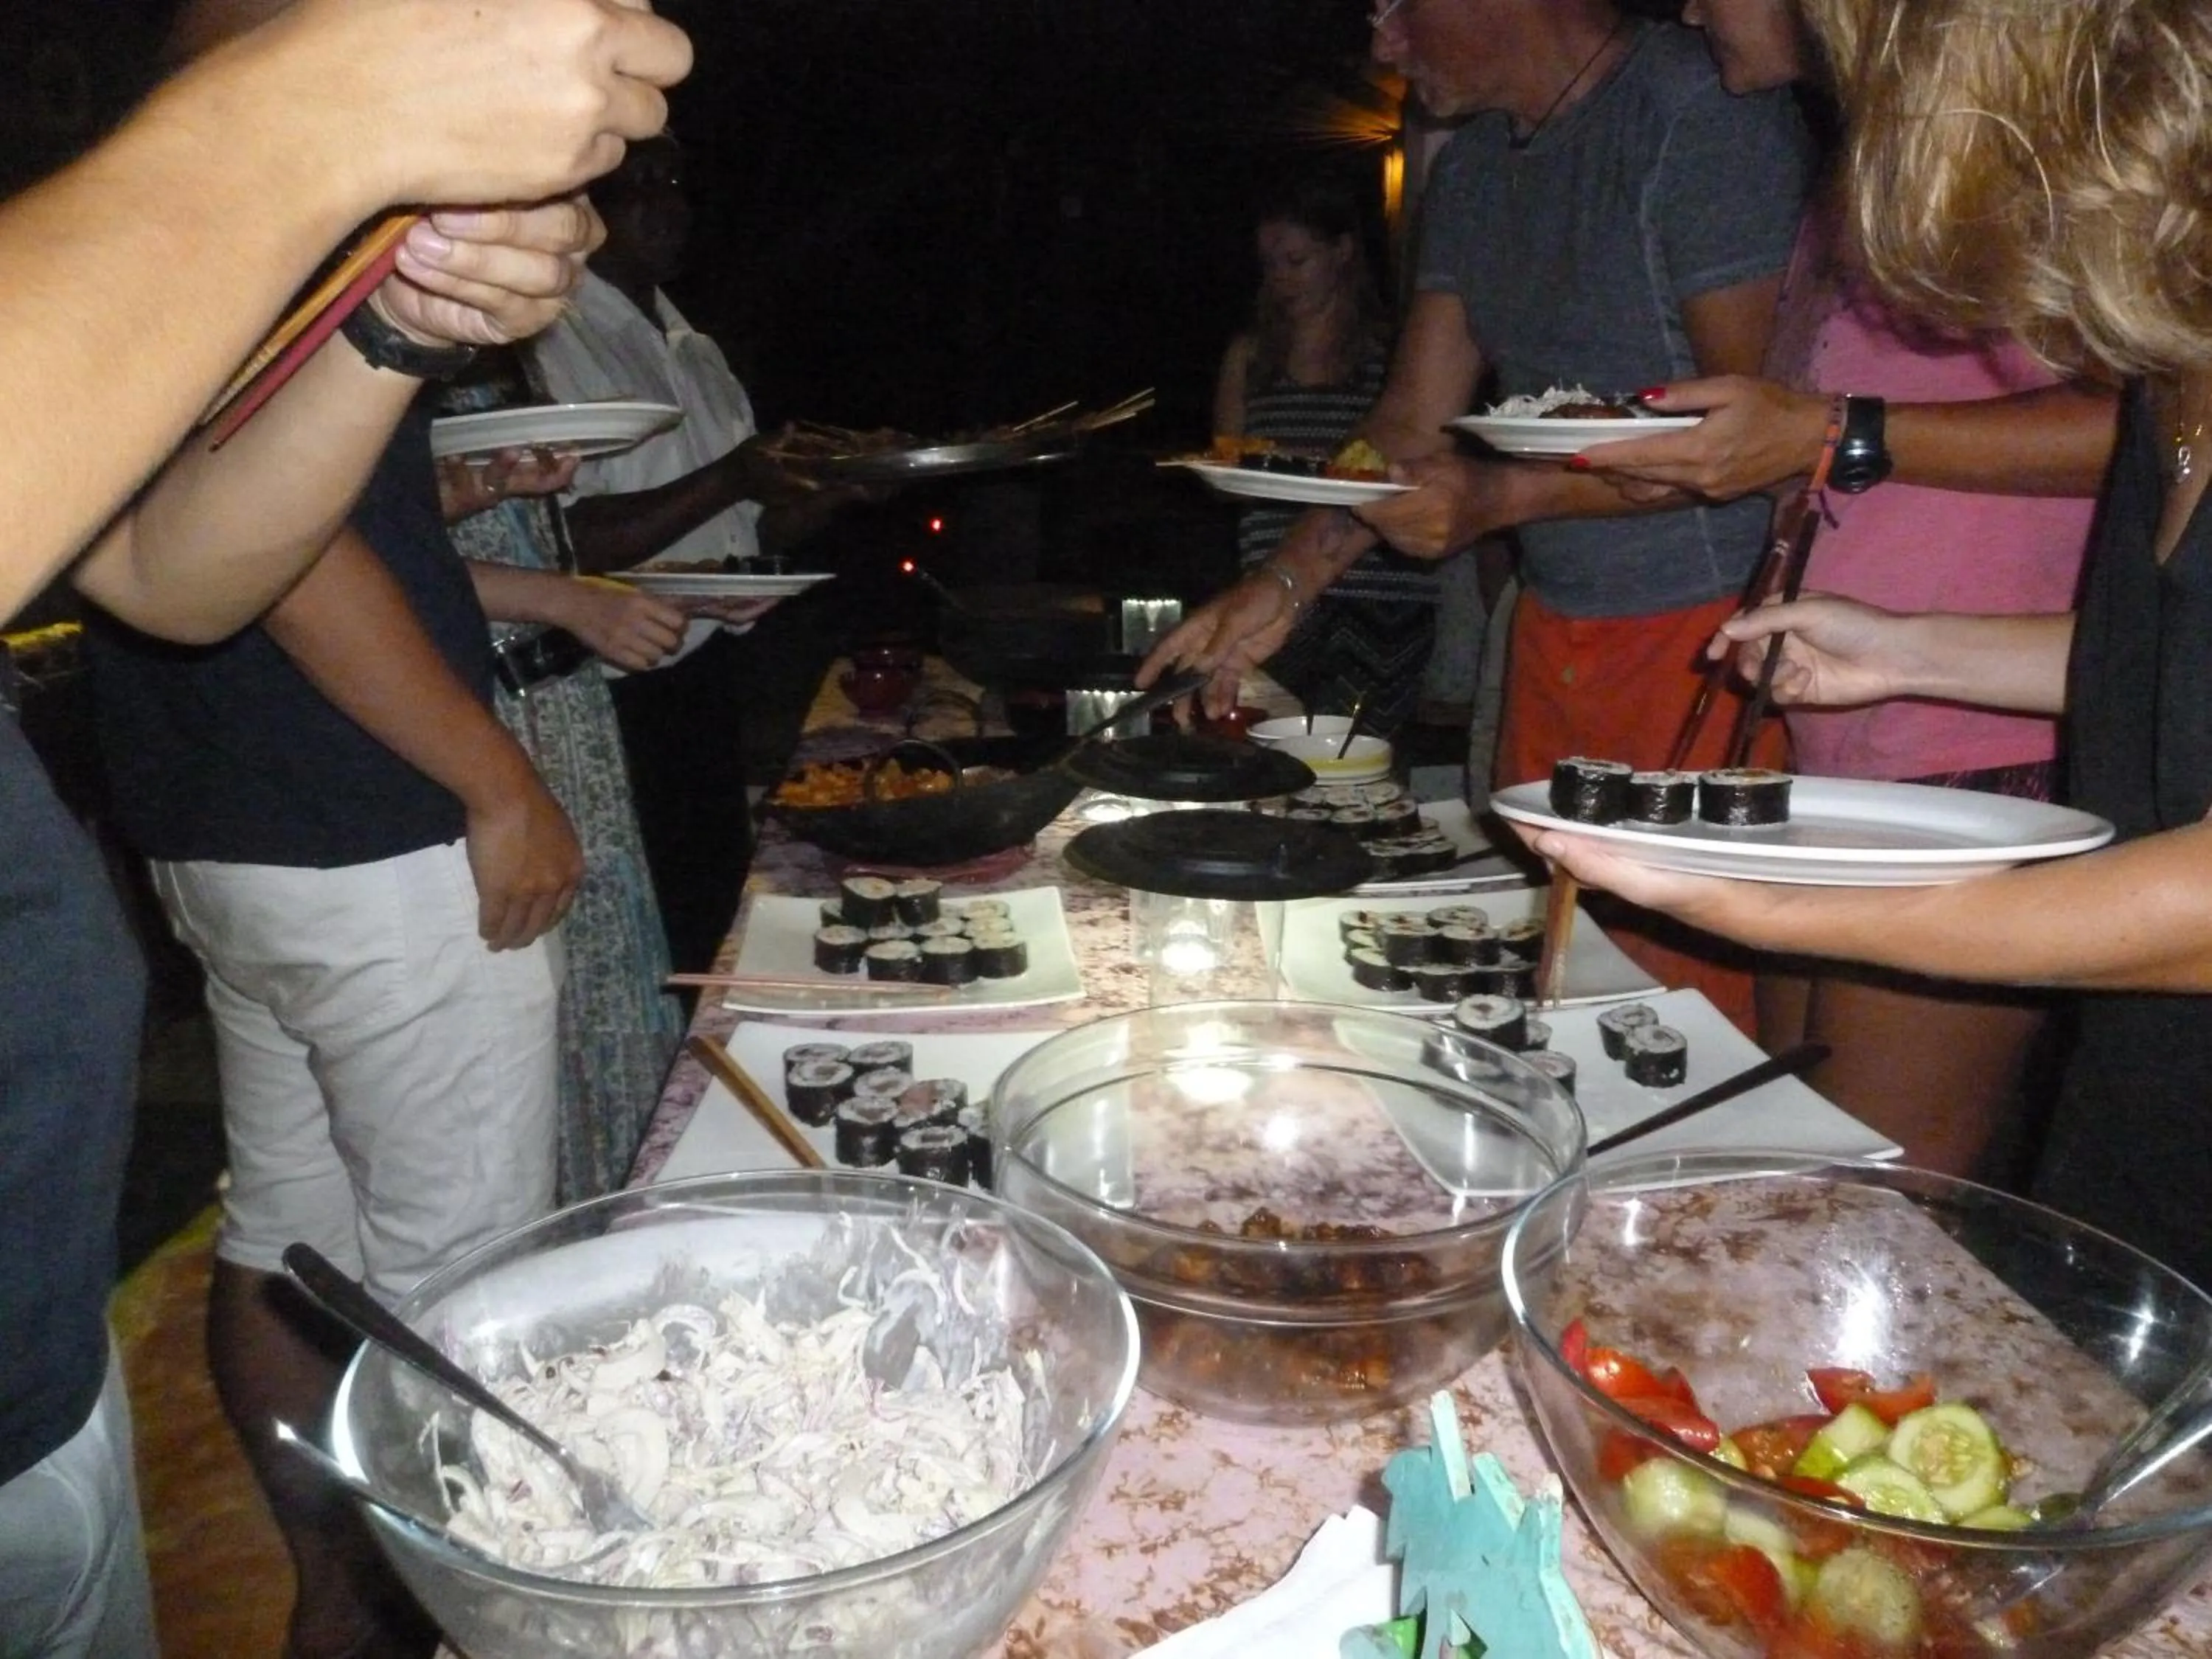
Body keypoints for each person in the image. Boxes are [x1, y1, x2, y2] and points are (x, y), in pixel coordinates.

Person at [0, 1, 687, 1654]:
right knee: (470, 1294)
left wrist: (389, 336)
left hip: (216, 879)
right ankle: (420, 1612)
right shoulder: (201, 200)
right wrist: (496, 779)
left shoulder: (153, 228)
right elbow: (300, 579)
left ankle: (338, 1596)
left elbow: (177, 555)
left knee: (288, 1232)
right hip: (363, 836)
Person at [1524, 0, 2212, 1288]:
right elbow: (2167, 676)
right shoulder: (2178, 380)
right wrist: (1907, 649)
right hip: (2146, 1150)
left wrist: (1805, 899)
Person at [1145, 0, 1815, 1027]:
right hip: (1553, 636)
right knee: (1564, 999)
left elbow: (1771, 440)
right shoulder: (1471, 170)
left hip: (1715, 642)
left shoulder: (1701, 116)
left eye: (1397, 13)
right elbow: (1409, 422)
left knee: (1685, 1021)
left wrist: (1505, 495)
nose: (1382, 48)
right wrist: (1282, 585)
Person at [532, 134, 846, 975]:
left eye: (677, 184)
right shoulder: (548, 337)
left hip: (704, 672)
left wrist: (844, 488)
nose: (668, 205)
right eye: (640, 187)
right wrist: (733, 474)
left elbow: (751, 531)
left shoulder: (693, 346)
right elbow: (562, 538)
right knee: (631, 936)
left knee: (709, 910)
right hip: (605, 684)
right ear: (582, 205)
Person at [437, 361, 689, 1203]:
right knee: (529, 1019)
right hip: (481, 728)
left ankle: (616, 1209)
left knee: (604, 977)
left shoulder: (489, 363)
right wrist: (569, 600)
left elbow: (488, 540)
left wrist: (622, 602)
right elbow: (345, 555)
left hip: (563, 713)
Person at [1214, 175, 1436, 736]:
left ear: (1341, 252)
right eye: (1271, 264)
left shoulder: (1394, 354)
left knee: (1361, 761)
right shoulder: (1252, 354)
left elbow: (1410, 451)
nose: (1281, 278)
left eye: (1296, 260)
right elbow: (1228, 468)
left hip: (1380, 592)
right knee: (1273, 749)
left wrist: (1326, 466)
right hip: (1274, 582)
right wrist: (1265, 465)